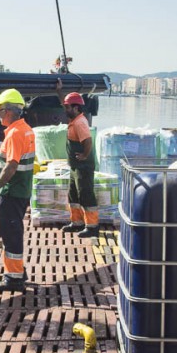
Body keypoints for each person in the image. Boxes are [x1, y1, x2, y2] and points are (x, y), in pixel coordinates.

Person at [0, 89, 36, 292]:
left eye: (0, 111)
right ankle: (18, 271)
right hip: (21, 190)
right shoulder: (26, 129)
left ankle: (13, 278)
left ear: (9, 111)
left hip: (12, 193)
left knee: (10, 233)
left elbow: (11, 167)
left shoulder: (14, 134)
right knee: (13, 230)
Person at [58, 82, 98, 238]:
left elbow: (88, 141)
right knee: (73, 195)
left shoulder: (80, 122)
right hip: (75, 166)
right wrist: (59, 91)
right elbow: (65, 103)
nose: (65, 109)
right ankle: (77, 223)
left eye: (68, 107)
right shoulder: (74, 118)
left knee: (86, 194)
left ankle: (92, 227)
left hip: (83, 166)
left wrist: (84, 156)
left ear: (76, 108)